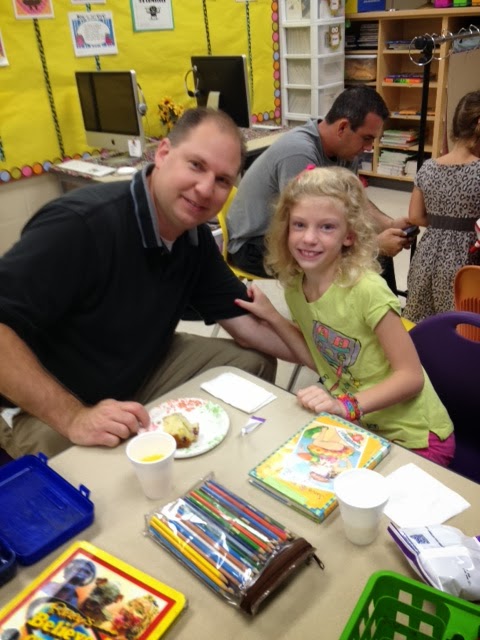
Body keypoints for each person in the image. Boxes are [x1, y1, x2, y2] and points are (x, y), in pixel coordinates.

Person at [0, 108, 304, 460]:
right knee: (79, 469)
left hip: (138, 369)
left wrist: (330, 364)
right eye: (196, 165)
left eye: (222, 180)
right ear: (163, 153)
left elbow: (246, 323)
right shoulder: (80, 224)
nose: (206, 189)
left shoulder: (192, 237)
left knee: (250, 362)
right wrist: (74, 418)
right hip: (47, 399)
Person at [236, 166, 454, 466]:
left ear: (349, 236)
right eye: (299, 225)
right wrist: (272, 316)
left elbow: (411, 378)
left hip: (416, 438)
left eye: (326, 227)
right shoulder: (296, 288)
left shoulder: (367, 290)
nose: (308, 238)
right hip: (363, 427)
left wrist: (345, 406)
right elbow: (318, 359)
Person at [226, 85, 412, 292]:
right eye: (367, 138)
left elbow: (355, 202)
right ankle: (365, 311)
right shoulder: (299, 152)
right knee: (362, 254)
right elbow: (306, 224)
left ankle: (384, 310)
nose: (368, 148)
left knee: (373, 247)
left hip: (293, 233)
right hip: (252, 246)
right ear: (342, 128)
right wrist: (374, 246)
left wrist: (388, 224)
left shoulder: (345, 151)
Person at [403, 90, 480, 323]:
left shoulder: (428, 167)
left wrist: (442, 224)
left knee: (423, 320)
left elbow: (415, 216)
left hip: (427, 256)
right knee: (461, 322)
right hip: (466, 261)